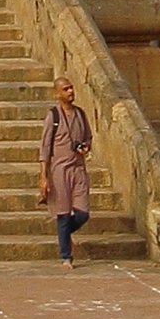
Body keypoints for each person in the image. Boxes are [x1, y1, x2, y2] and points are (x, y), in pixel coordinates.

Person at [39, 73, 94, 266]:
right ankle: (66, 256)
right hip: (59, 170)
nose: (70, 92)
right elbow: (45, 147)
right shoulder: (52, 116)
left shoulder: (80, 113)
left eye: (71, 88)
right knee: (63, 214)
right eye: (66, 89)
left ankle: (65, 234)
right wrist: (43, 176)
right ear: (57, 94)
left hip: (78, 168)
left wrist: (86, 147)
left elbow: (88, 137)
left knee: (82, 213)